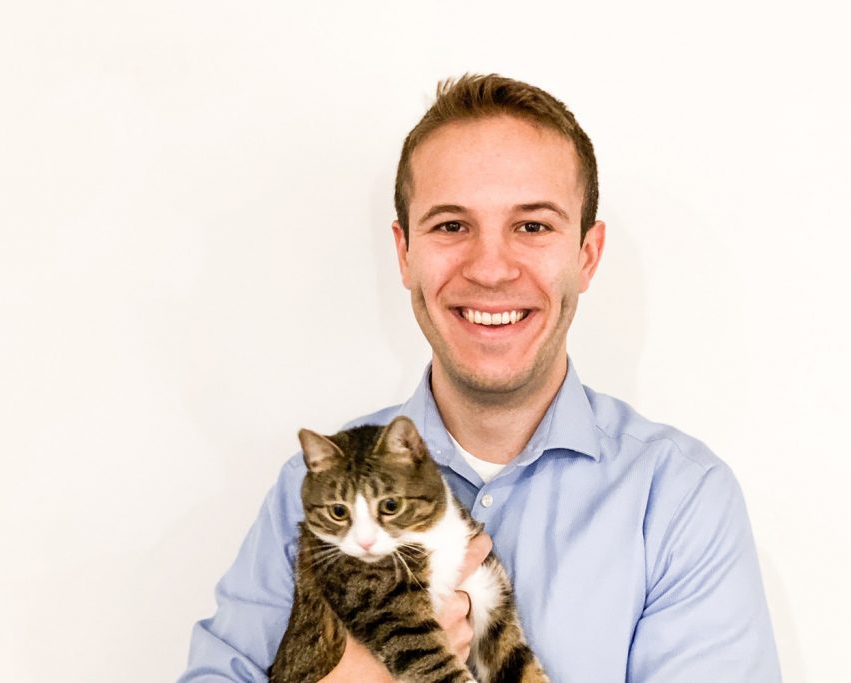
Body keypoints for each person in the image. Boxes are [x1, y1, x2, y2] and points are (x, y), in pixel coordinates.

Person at [178, 74, 781, 682]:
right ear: (405, 253)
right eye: (451, 226)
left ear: (587, 256)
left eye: (533, 226)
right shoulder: (309, 493)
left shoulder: (679, 497)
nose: (491, 270)